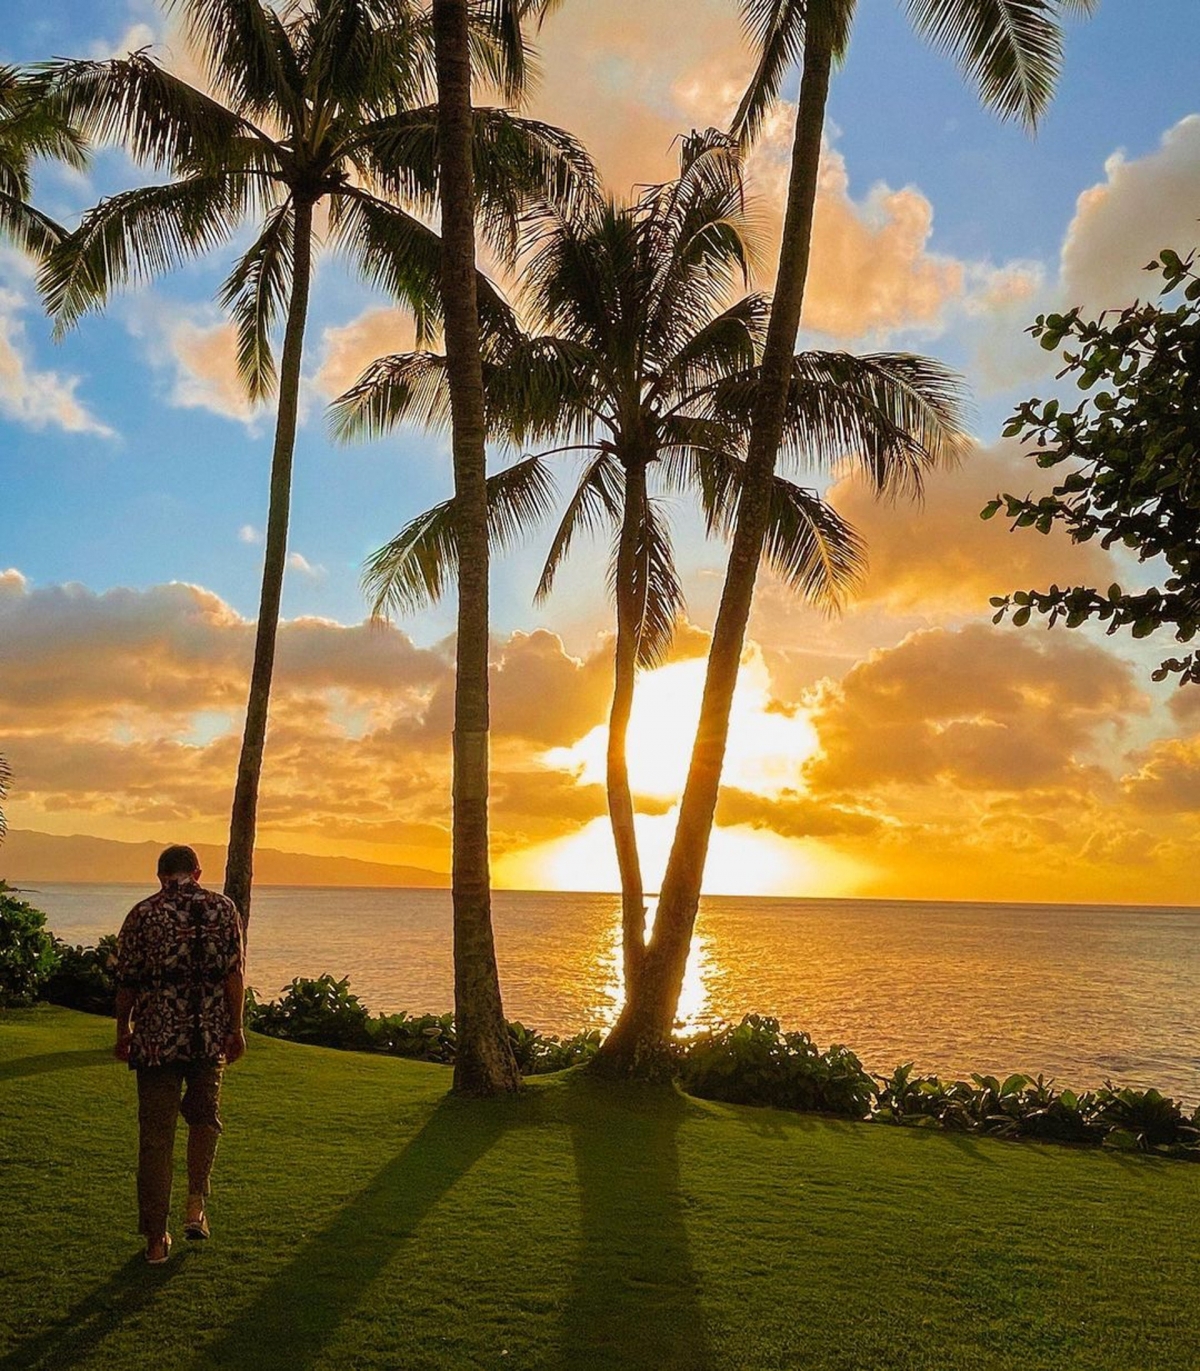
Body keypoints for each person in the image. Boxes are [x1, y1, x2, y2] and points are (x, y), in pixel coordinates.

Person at [115, 844, 246, 1264]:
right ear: (197, 871)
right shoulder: (223, 910)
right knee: (205, 1118)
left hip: (156, 1038)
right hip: (207, 1036)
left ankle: (156, 1240)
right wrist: (236, 1027)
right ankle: (195, 1203)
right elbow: (234, 975)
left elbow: (128, 981)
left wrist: (123, 1030)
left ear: (160, 876)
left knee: (155, 1138)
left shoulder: (142, 914)